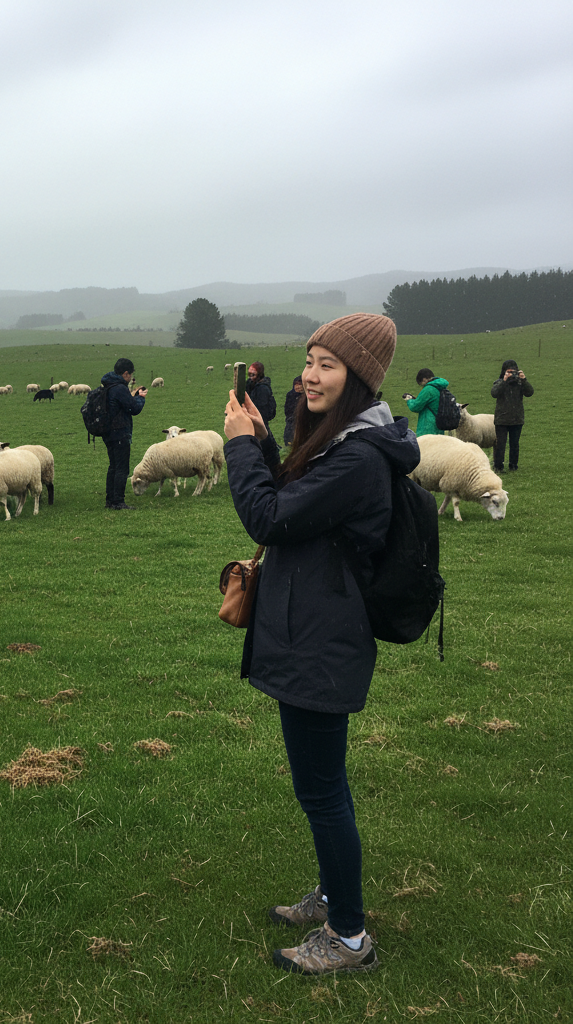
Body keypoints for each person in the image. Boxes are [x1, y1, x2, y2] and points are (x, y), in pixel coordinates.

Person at [222, 313, 418, 975]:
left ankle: (349, 938)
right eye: (310, 359)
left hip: (322, 640)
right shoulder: (339, 443)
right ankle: (336, 894)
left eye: (328, 364)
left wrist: (241, 448)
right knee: (319, 786)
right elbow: (293, 501)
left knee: (323, 790)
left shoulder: (359, 457)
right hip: (310, 630)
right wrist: (263, 438)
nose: (310, 373)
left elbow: (269, 517)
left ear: (358, 378)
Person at [100, 357, 147, 510]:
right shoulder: (119, 388)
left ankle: (110, 500)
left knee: (113, 466)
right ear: (125, 373)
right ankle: (118, 502)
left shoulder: (108, 385)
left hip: (108, 433)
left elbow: (121, 404)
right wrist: (140, 398)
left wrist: (132, 395)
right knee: (121, 468)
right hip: (119, 433)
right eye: (130, 375)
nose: (130, 378)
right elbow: (134, 408)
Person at [490, 359, 533, 472]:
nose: (511, 374)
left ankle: (513, 465)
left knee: (514, 444)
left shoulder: (519, 383)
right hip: (502, 419)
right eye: (509, 372)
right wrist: (504, 381)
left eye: (513, 371)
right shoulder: (498, 382)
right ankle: (498, 466)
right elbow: (494, 393)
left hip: (516, 419)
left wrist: (524, 379)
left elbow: (530, 393)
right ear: (504, 372)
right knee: (501, 444)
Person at [402, 368, 449, 436]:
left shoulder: (428, 389)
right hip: (439, 423)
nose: (423, 386)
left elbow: (415, 407)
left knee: (425, 445)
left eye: (422, 384)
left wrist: (409, 400)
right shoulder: (441, 387)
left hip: (428, 426)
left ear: (424, 379)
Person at [246, 361, 276, 427]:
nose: (250, 377)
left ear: (259, 374)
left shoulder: (263, 388)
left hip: (260, 422)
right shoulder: (250, 384)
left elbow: (262, 408)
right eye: (249, 374)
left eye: (253, 375)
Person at [282, 375, 304, 446]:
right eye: (295, 384)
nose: (297, 387)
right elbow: (287, 408)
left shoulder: (306, 396)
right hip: (291, 419)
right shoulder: (290, 395)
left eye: (300, 385)